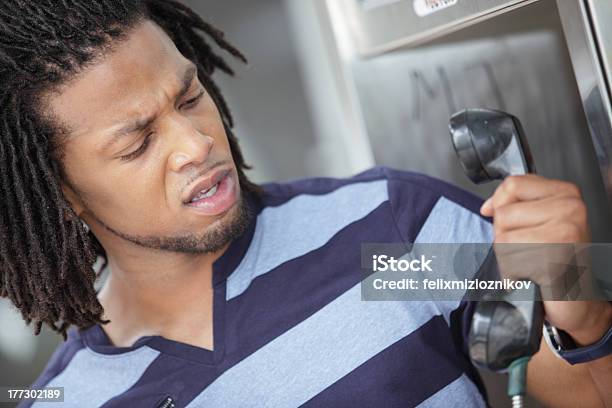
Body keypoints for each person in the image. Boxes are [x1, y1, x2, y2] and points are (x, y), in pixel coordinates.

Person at [0, 1, 609, 407]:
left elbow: (586, 386)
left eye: (189, 98)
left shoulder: (389, 232)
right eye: (137, 143)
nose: (196, 144)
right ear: (61, 196)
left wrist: (584, 314)